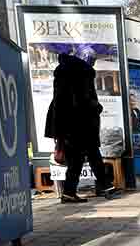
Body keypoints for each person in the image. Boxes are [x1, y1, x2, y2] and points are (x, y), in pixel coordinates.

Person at [44, 47, 111, 203]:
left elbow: (63, 99)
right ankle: (106, 186)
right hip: (81, 121)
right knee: (92, 153)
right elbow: (84, 98)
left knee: (77, 157)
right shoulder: (83, 71)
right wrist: (97, 107)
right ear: (87, 58)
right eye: (92, 60)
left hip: (66, 121)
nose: (93, 63)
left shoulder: (64, 70)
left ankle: (69, 192)